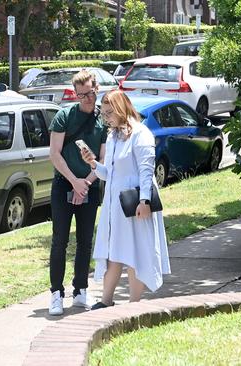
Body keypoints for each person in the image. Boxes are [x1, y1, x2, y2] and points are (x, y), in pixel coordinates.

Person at [80, 90, 170, 309]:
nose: (107, 117)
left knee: (135, 253)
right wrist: (93, 163)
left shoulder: (141, 134)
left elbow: (146, 171)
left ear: (121, 109)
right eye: (104, 113)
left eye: (110, 112)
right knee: (114, 252)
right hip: (114, 205)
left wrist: (145, 202)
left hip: (134, 204)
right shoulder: (113, 137)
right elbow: (109, 173)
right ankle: (106, 300)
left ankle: (133, 305)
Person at [47, 70, 107, 316]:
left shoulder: (103, 118)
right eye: (81, 95)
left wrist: (87, 182)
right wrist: (74, 181)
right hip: (64, 183)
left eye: (90, 93)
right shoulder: (64, 116)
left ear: (97, 88)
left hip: (90, 184)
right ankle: (56, 293)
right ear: (75, 94)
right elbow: (54, 153)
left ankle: (81, 289)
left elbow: (104, 158)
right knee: (59, 240)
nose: (87, 99)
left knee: (85, 241)